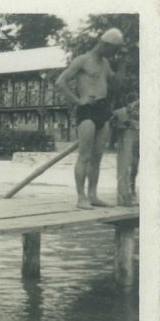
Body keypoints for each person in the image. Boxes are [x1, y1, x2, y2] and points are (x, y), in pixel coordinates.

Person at [56, 28, 125, 209]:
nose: (114, 54)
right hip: (87, 110)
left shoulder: (106, 63)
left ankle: (93, 195)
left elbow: (117, 85)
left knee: (97, 157)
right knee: (84, 156)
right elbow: (60, 82)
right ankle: (81, 197)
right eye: (114, 50)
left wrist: (123, 63)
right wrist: (78, 101)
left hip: (102, 109)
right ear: (104, 45)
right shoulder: (82, 60)